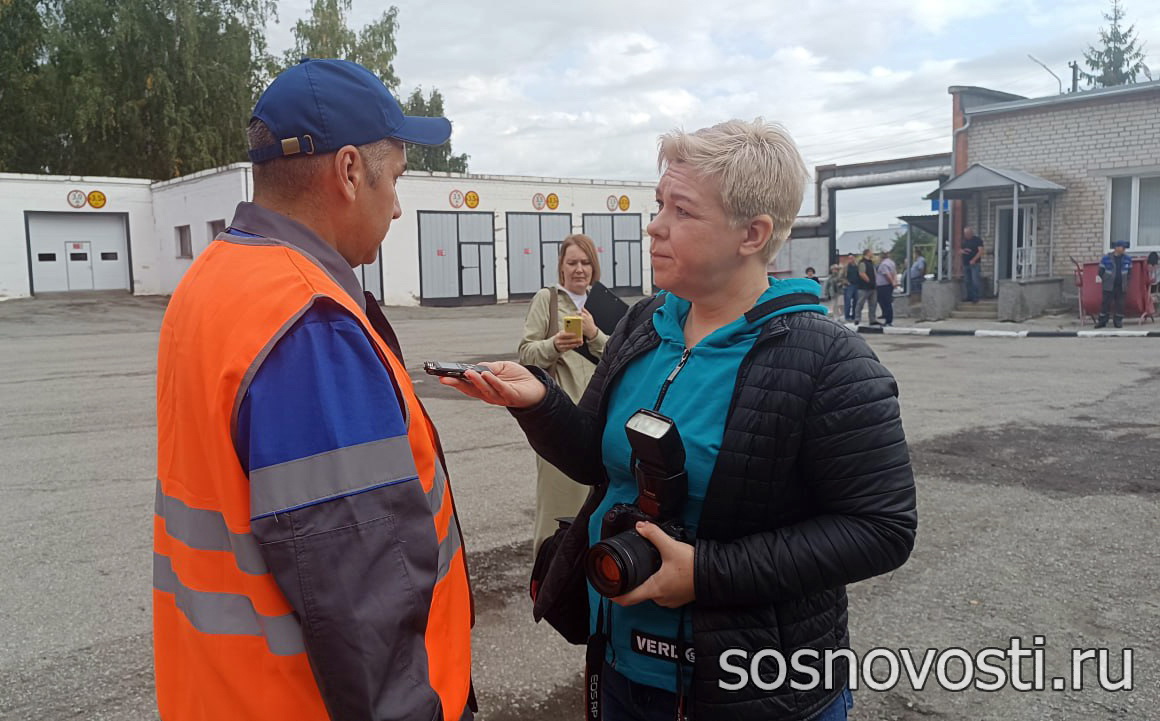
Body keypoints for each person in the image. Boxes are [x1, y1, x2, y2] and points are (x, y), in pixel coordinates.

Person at [442, 119, 917, 721]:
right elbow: (595, 458)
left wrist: (710, 574)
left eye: (682, 211)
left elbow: (882, 528)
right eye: (659, 203)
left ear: (754, 233)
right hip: (621, 668)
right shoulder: (644, 327)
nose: (654, 225)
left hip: (757, 694)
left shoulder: (828, 361)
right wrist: (538, 402)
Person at [153, 59, 475, 721]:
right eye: (398, 179)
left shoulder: (211, 278)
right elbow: (365, 611)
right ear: (351, 170)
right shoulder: (308, 325)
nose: (398, 205)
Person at [520, 234, 609, 555]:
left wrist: (595, 335)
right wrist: (554, 345)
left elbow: (623, 355)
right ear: (561, 266)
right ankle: (547, 582)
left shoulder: (603, 304)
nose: (579, 269)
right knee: (557, 510)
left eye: (585, 263)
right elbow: (526, 355)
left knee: (597, 510)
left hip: (600, 422)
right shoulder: (548, 300)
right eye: (572, 262)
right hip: (560, 421)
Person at [1096, 240, 1132, 328]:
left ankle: (1118, 321)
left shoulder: (1128, 259)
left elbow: (1130, 272)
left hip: (1121, 285)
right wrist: (1105, 279)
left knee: (1120, 304)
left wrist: (1126, 282)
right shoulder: (1106, 258)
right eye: (1122, 247)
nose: (1124, 249)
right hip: (1109, 285)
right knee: (1105, 303)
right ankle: (1102, 321)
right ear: (1116, 248)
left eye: (1124, 248)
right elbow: (1100, 271)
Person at [853, 247, 878, 324]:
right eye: (871, 252)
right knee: (860, 303)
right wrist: (869, 281)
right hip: (864, 287)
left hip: (873, 287)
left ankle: (872, 320)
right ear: (867, 253)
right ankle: (857, 318)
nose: (872, 254)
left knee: (873, 304)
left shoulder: (871, 263)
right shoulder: (862, 263)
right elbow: (862, 273)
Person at [961, 226, 985, 303]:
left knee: (975, 280)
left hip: (975, 264)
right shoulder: (964, 241)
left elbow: (981, 251)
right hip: (966, 263)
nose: (966, 235)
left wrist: (974, 260)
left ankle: (976, 297)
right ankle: (969, 296)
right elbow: (960, 249)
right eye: (965, 233)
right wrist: (962, 251)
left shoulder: (977, 240)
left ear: (971, 232)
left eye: (967, 233)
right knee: (967, 281)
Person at [875, 251, 899, 326]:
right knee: (888, 302)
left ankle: (888, 320)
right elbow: (894, 273)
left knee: (885, 303)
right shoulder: (891, 262)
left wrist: (892, 282)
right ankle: (888, 318)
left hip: (883, 286)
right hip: (888, 285)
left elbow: (887, 274)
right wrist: (894, 282)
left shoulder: (883, 264)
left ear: (881, 257)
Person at [842, 252, 859, 321]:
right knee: (848, 302)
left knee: (856, 301)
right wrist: (846, 282)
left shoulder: (857, 266)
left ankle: (854, 316)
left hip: (857, 285)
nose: (851, 259)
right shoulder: (846, 267)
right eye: (849, 258)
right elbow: (841, 277)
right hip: (849, 286)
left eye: (852, 258)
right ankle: (847, 316)